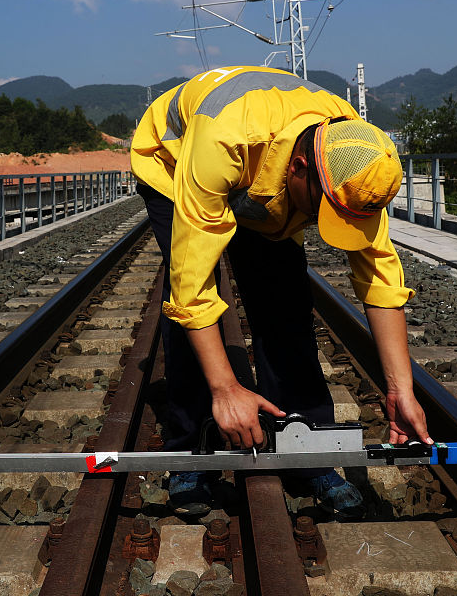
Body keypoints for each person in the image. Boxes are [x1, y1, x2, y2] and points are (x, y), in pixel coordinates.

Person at [129, 65, 432, 518]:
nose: (328, 226)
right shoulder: (223, 139)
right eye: (324, 212)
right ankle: (193, 451)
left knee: (287, 307)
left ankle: (307, 452)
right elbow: (192, 287)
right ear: (299, 168)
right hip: (175, 164)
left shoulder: (356, 154)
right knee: (188, 311)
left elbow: (381, 279)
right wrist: (225, 387)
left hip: (261, 169)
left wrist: (400, 388)